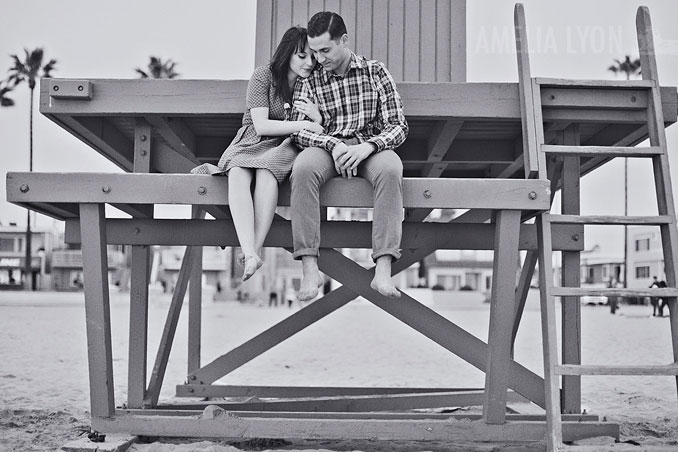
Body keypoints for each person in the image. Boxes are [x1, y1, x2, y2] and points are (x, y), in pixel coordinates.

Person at [289, 11, 409, 301]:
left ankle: (382, 269)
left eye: (326, 50)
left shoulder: (375, 72)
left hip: (370, 148)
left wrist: (367, 147)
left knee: (392, 170)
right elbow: (297, 129)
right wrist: (333, 145)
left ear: (344, 40)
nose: (319, 59)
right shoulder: (310, 79)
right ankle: (309, 267)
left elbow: (398, 125)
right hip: (328, 148)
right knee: (303, 167)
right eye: (314, 52)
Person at [191, 26, 323, 281]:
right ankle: (249, 252)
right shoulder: (264, 76)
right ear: (288, 54)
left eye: (313, 56)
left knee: (267, 173)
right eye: (302, 56)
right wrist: (306, 123)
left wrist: (315, 118)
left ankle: (254, 250)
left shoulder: (313, 84)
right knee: (238, 172)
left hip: (286, 144)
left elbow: (322, 124)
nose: (309, 62)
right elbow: (261, 124)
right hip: (253, 137)